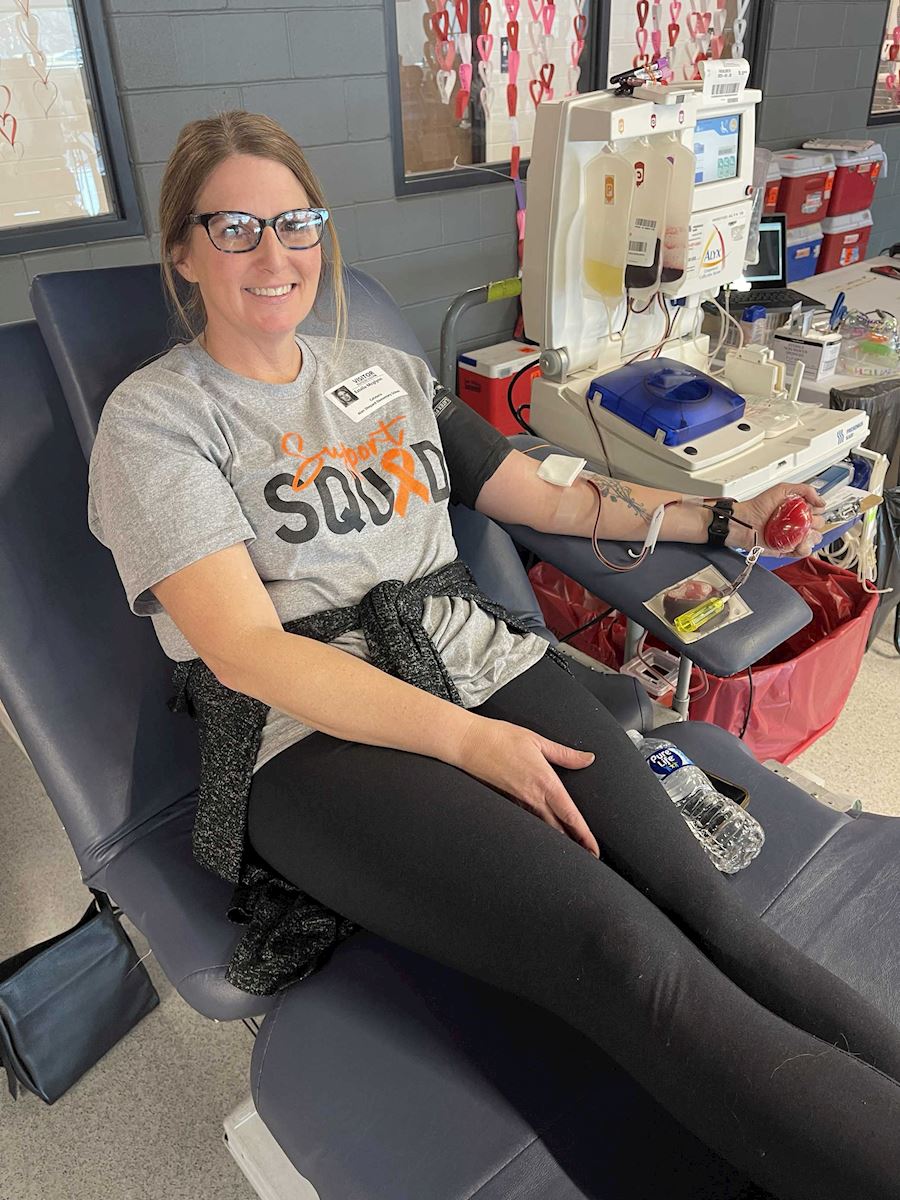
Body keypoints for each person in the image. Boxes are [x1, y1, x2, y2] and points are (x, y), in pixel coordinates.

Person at [86, 111, 900, 1200]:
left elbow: (542, 493)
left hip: (482, 663)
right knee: (621, 957)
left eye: (296, 223)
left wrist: (726, 519)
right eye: (234, 228)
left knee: (706, 913)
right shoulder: (158, 424)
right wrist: (475, 745)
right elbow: (248, 655)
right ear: (183, 251)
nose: (274, 256)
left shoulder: (381, 371)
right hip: (310, 737)